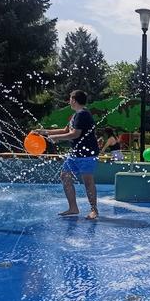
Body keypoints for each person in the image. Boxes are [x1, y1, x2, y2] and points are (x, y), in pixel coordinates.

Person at [37, 90, 100, 219]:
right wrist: (43, 132)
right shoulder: (75, 115)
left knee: (88, 181)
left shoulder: (83, 114)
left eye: (70, 98)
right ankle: (73, 208)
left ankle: (94, 210)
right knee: (65, 176)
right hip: (75, 153)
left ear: (74, 100)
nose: (69, 101)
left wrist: (57, 138)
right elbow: (66, 130)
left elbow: (75, 134)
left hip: (87, 154)